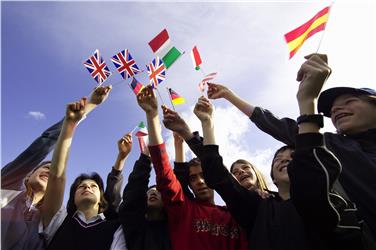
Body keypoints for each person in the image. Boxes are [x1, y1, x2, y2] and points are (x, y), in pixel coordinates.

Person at [206, 54, 376, 246]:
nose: (336, 110)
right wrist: (229, 95)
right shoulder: (333, 146)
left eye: (349, 101)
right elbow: (276, 125)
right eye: (332, 110)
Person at [195, 94, 361, 250]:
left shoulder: (334, 202)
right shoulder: (258, 207)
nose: (284, 159)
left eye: (293, 156)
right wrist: (207, 124)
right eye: (278, 159)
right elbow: (218, 175)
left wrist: (307, 101)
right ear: (273, 178)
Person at [136, 85, 248, 250]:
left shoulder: (238, 213)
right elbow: (164, 172)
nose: (200, 181)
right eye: (193, 178)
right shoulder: (183, 210)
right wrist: (152, 116)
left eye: (203, 175)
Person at [1, 86, 111, 250]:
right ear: (27, 175)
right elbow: (42, 145)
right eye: (44, 167)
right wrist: (88, 107)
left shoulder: (50, 221)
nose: (48, 170)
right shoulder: (8, 186)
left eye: (51, 169)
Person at [39, 89, 126, 250]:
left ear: (102, 198)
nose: (87, 187)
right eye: (81, 186)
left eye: (94, 186)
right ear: (72, 197)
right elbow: (57, 176)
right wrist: (69, 124)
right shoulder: (58, 221)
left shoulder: (116, 229)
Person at [162, 105, 269, 196]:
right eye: (235, 172)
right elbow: (213, 164)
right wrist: (198, 126)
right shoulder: (236, 206)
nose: (241, 171)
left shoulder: (280, 199)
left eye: (245, 167)